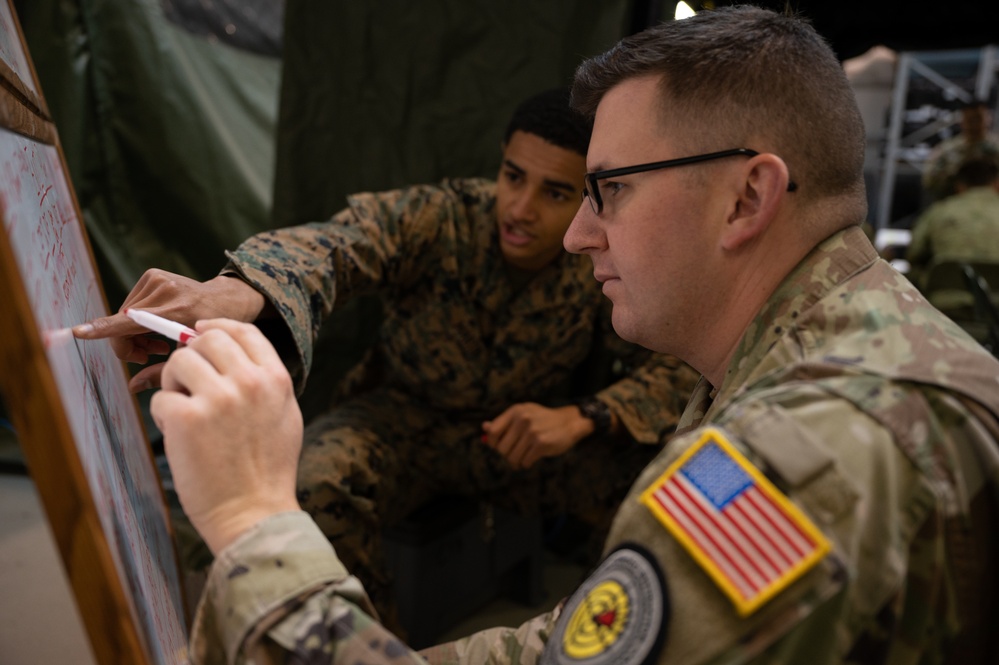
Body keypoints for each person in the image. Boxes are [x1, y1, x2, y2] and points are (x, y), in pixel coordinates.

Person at [138, 6, 999, 664]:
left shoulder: (802, 455)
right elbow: (344, 242)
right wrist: (244, 289)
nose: (577, 232)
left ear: (746, 197)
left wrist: (253, 522)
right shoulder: (853, 342)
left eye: (607, 190)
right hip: (422, 425)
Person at [74, 88, 698, 627]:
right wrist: (238, 290)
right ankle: (369, 645)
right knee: (318, 480)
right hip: (405, 419)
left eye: (555, 192)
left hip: (523, 436)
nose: (521, 208)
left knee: (661, 496)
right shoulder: (445, 217)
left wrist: (583, 418)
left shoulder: (603, 252)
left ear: (589, 200)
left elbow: (678, 363)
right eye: (513, 176)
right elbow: (342, 244)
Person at [907, 155, 999, 294]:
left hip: (946, 303)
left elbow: (913, 254)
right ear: (996, 183)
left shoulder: (938, 212)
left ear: (959, 186)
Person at [922, 98, 999, 202]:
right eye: (970, 120)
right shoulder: (947, 150)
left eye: (978, 119)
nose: (974, 125)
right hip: (956, 203)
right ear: (962, 121)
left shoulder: (996, 148)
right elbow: (930, 181)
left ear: (988, 119)